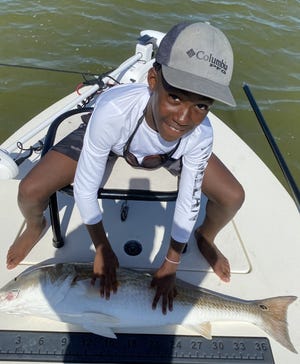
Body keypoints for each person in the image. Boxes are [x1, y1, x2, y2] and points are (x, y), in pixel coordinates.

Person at [6, 22, 244, 314]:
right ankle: (35, 225)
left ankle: (205, 237)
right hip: (115, 141)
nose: (184, 117)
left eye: (202, 106)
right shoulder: (112, 112)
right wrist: (102, 247)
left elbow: (189, 199)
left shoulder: (199, 134)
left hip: (171, 153)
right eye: (176, 97)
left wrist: (171, 262)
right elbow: (85, 185)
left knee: (233, 196)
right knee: (29, 190)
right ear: (153, 80)